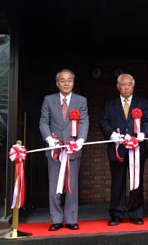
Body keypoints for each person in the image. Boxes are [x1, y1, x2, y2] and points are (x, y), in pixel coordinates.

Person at [99, 73, 148, 226]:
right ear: (118, 87)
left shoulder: (142, 102)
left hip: (138, 148)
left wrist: (143, 133)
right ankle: (117, 214)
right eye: (123, 84)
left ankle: (136, 213)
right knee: (117, 182)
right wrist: (112, 134)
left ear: (133, 86)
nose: (126, 87)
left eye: (129, 84)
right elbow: (103, 122)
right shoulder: (110, 104)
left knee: (137, 182)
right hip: (117, 149)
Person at [39, 69, 89, 231]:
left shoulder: (81, 101)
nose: (66, 83)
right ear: (57, 83)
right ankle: (56, 219)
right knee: (55, 187)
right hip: (54, 150)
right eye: (62, 80)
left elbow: (84, 122)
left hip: (73, 150)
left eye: (69, 80)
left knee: (71, 186)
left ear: (73, 82)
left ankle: (71, 219)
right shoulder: (48, 100)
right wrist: (49, 139)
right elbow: (43, 122)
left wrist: (80, 140)